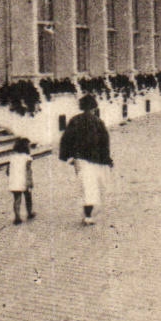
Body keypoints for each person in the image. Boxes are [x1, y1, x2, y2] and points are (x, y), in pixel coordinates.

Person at [59, 94, 114, 226]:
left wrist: (69, 156)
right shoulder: (98, 122)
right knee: (93, 187)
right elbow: (104, 143)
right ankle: (89, 215)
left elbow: (66, 139)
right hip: (95, 159)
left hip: (80, 159)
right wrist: (107, 160)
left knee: (86, 186)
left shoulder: (74, 120)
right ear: (94, 107)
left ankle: (88, 215)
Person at [7, 137, 34, 225]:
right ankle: (29, 213)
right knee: (28, 197)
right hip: (24, 180)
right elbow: (28, 170)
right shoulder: (27, 158)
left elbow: (7, 171)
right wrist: (30, 181)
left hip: (14, 180)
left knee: (17, 199)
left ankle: (17, 217)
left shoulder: (12, 157)